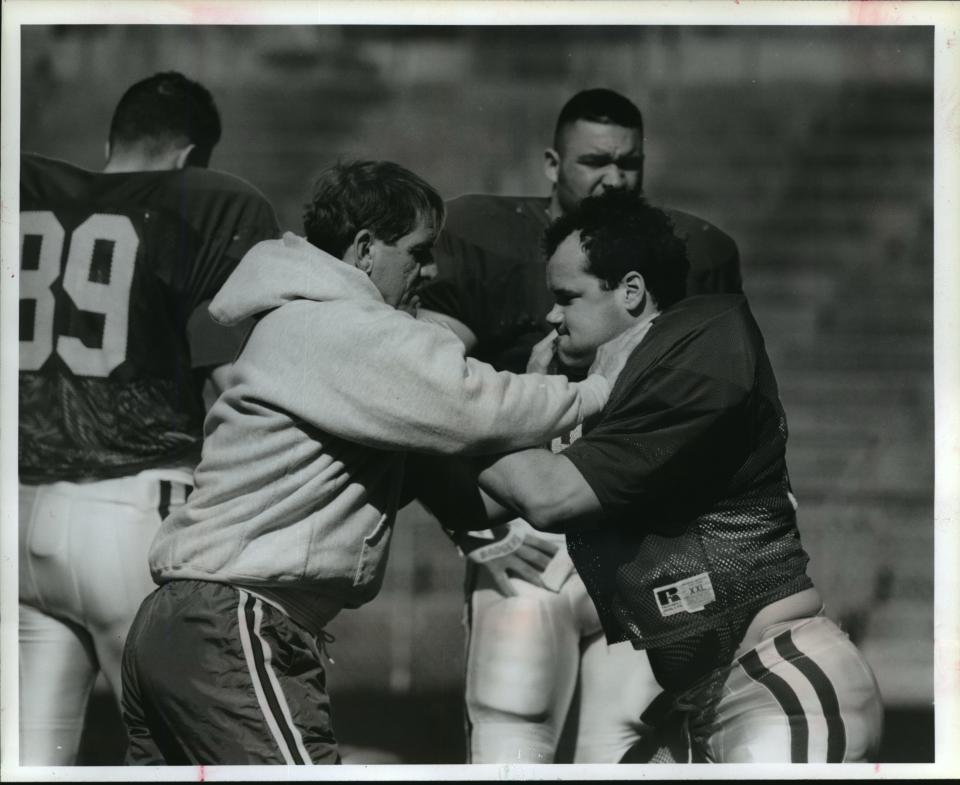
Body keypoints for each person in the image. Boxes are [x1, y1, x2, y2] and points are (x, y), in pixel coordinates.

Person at [119, 160, 614, 766]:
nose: (431, 271)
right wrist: (597, 390)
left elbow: (464, 493)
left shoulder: (305, 322)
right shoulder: (347, 324)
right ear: (363, 250)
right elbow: (473, 403)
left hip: (190, 623)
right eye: (419, 251)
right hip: (235, 621)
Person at [457, 189, 884, 763]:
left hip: (777, 684)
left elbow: (547, 495)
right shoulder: (611, 381)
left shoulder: (702, 342)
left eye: (567, 298)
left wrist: (452, 412)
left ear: (631, 290)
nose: (552, 316)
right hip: (704, 704)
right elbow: (484, 502)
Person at [414, 87, 742, 763]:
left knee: (633, 750)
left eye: (629, 162)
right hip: (530, 533)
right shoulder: (486, 238)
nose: (614, 178)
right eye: (595, 160)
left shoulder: (696, 254)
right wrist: (467, 522)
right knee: (510, 734)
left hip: (645, 538)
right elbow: (418, 391)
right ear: (551, 164)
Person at [18, 71, 280, 766]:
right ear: (191, 159)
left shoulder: (28, 200)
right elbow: (232, 386)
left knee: (27, 758)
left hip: (17, 516)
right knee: (181, 752)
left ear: (111, 140)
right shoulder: (197, 209)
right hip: (133, 516)